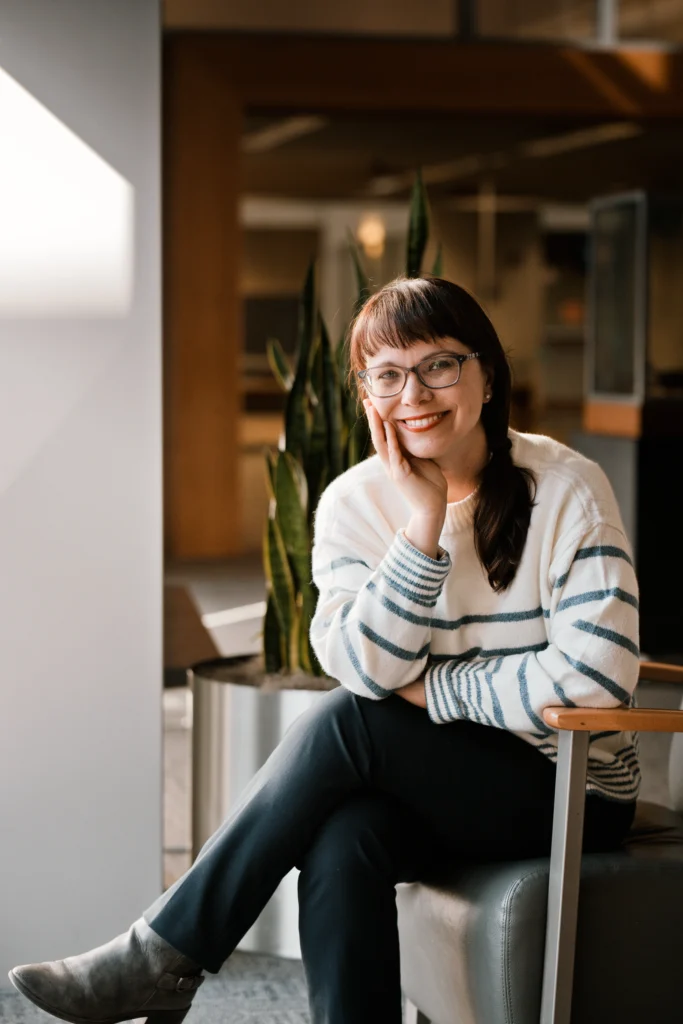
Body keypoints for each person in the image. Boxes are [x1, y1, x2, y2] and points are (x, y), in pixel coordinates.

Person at [9, 276, 640, 1024]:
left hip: (568, 790)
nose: (415, 391)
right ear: (364, 391)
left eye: (439, 363)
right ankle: (183, 965)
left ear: (486, 372)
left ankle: (162, 955)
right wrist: (423, 522)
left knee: (349, 722)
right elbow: (367, 668)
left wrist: (432, 691)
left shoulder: (567, 487)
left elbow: (596, 683)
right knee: (345, 837)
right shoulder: (351, 501)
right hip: (435, 777)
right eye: (387, 374)